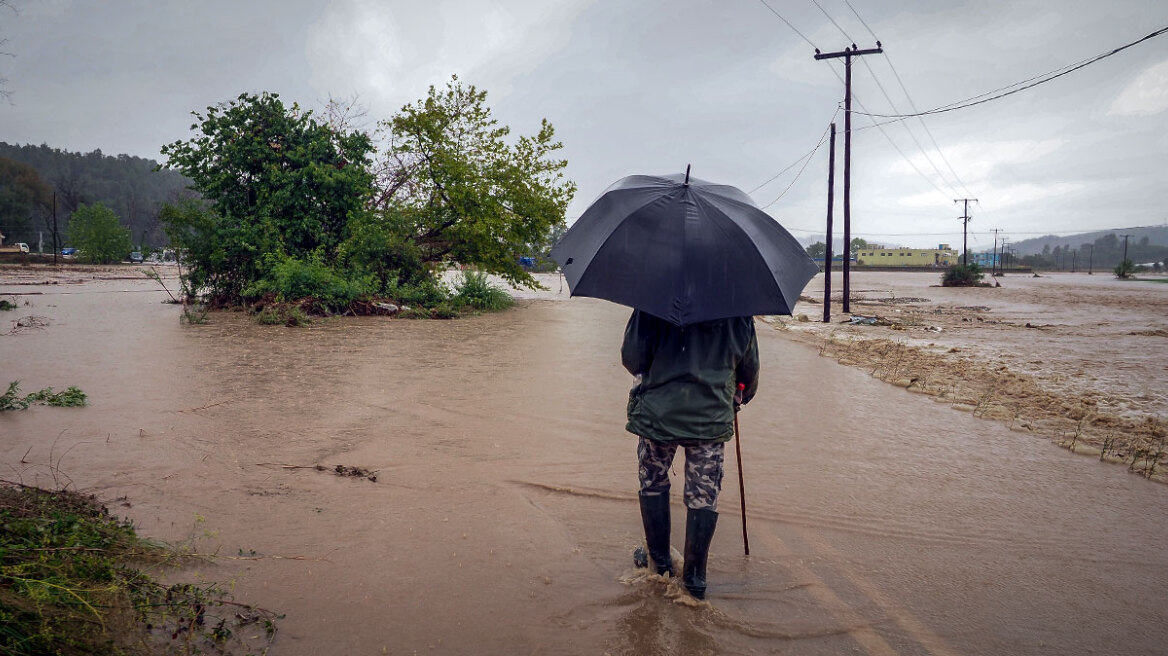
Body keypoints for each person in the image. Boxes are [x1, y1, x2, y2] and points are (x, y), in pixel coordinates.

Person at [621, 309, 759, 600]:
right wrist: (738, 395)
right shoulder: (738, 310)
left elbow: (632, 359)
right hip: (709, 420)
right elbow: (748, 373)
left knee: (653, 483)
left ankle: (659, 565)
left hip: (658, 416)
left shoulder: (651, 304)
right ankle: (695, 580)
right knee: (703, 494)